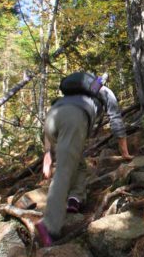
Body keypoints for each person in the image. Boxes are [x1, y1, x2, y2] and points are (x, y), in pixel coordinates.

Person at [35, 73, 132, 246]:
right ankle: (49, 226)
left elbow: (54, 126)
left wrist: (48, 154)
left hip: (52, 116)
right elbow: (116, 121)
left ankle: (75, 199)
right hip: (74, 119)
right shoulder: (105, 92)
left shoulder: (71, 95)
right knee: (64, 173)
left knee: (78, 163)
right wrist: (124, 152)